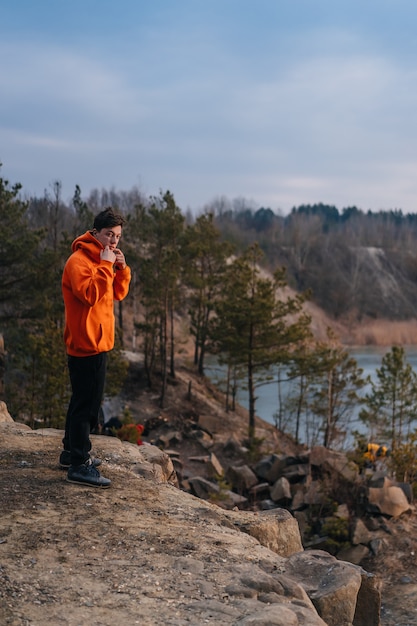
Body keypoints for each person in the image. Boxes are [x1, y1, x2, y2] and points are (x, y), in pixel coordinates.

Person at [60, 208, 131, 487]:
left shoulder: (105, 259)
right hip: (86, 345)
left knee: (82, 400)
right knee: (87, 407)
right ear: (96, 232)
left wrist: (121, 269)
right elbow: (90, 295)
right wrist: (105, 265)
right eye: (109, 235)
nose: (113, 242)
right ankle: (79, 463)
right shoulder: (78, 261)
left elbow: (117, 293)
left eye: (117, 237)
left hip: (98, 342)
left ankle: (70, 452)